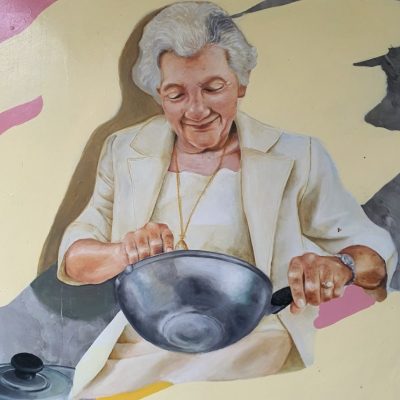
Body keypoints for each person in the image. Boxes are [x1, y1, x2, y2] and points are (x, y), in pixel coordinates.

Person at [57, 2, 397, 398]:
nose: (196, 109)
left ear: (241, 83)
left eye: (213, 88)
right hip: (147, 338)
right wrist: (123, 252)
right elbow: (74, 259)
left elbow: (376, 257)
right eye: (176, 94)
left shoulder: (297, 155)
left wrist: (341, 266)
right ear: (158, 95)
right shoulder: (125, 148)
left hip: (256, 339)